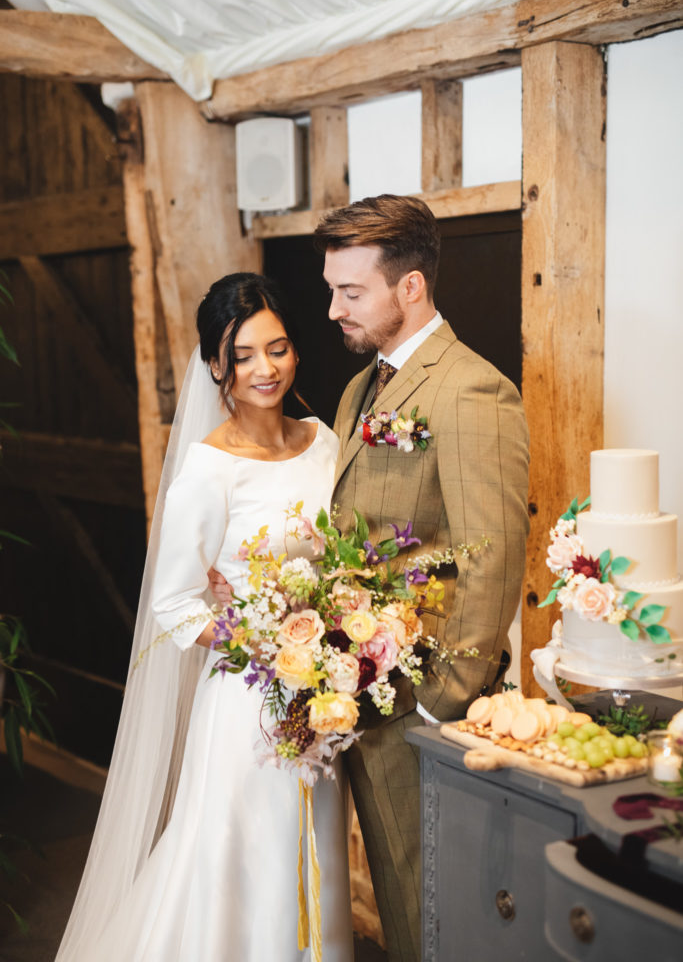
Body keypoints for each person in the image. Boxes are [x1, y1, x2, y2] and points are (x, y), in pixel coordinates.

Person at [56, 273, 353, 962]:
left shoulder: (324, 442)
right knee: (245, 862)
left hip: (322, 697)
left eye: (276, 349)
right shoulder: (208, 468)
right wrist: (255, 640)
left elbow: (343, 555)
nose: (264, 368)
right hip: (247, 702)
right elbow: (173, 601)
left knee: (314, 851)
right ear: (215, 365)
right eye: (242, 354)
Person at [314, 194, 530, 962]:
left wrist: (442, 702)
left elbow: (492, 551)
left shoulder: (470, 389)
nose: (334, 308)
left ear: (409, 287)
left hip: (422, 704)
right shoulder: (357, 389)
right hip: (365, 692)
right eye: (332, 289)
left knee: (431, 906)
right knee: (403, 900)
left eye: (351, 292)